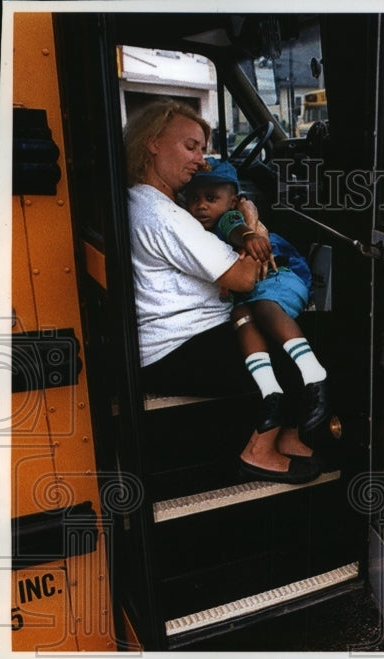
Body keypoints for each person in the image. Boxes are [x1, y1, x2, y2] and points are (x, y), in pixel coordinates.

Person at [124, 98, 320, 484]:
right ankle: (258, 452)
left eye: (201, 149)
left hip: (173, 336)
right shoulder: (163, 216)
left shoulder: (142, 199)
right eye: (190, 146)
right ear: (152, 143)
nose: (200, 160)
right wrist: (253, 223)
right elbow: (245, 278)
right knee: (298, 346)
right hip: (177, 347)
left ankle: (289, 436)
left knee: (292, 333)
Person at [183, 158, 329, 447]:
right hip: (249, 292)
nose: (201, 206)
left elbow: (235, 227)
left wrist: (248, 235)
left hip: (280, 277)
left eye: (211, 198)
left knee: (263, 307)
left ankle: (315, 375)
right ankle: (270, 392)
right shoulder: (193, 228)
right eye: (194, 199)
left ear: (233, 200)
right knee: (241, 316)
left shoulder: (229, 219)